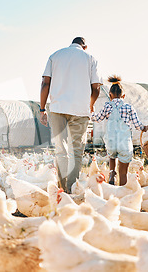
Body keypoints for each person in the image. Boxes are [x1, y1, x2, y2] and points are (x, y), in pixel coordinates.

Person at [40, 37, 102, 192]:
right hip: (80, 110)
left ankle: (62, 190)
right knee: (76, 151)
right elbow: (96, 88)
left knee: (61, 150)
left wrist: (42, 109)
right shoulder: (90, 58)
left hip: (57, 108)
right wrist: (90, 105)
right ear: (85, 47)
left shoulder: (55, 55)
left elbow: (45, 83)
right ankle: (72, 188)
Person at [92, 76, 148, 186]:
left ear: (110, 95)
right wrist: (144, 128)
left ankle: (112, 175)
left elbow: (97, 118)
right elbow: (138, 125)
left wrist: (91, 112)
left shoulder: (107, 106)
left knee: (112, 156)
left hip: (111, 142)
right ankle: (122, 190)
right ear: (123, 96)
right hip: (124, 143)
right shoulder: (129, 107)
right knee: (123, 173)